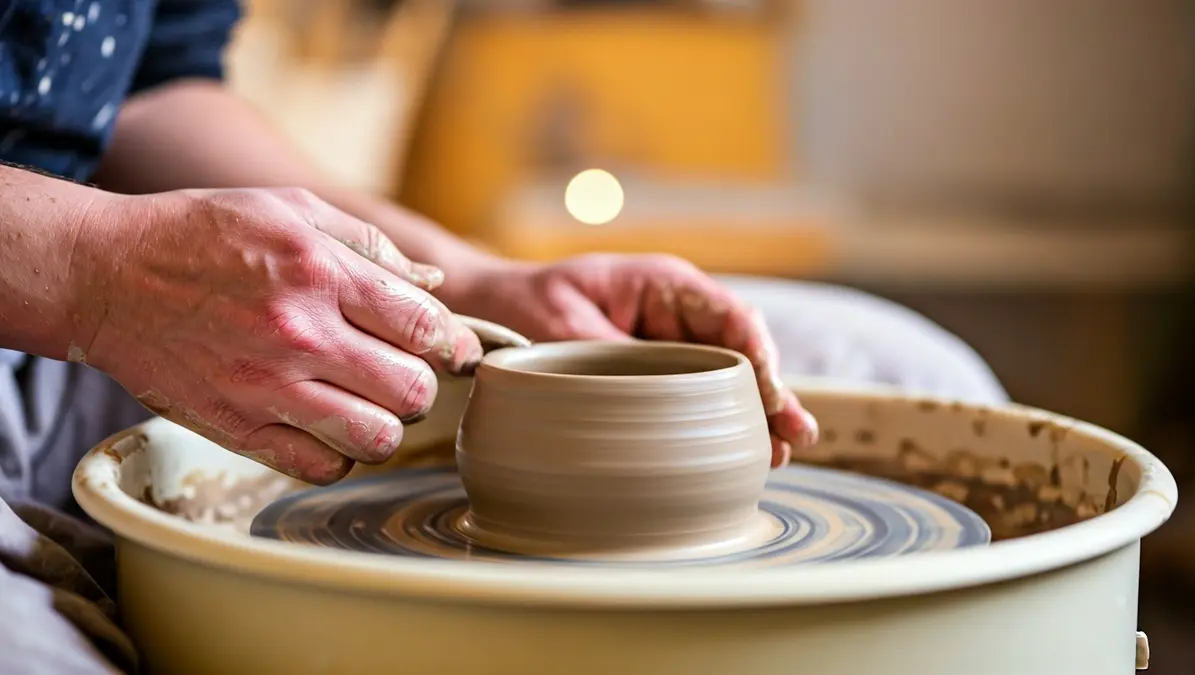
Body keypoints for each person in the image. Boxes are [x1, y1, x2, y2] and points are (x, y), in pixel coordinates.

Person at [0, 2, 1006, 673]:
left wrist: (475, 281)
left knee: (912, 371)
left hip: (104, 289)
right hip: (59, 284)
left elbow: (153, 84)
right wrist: (100, 274)